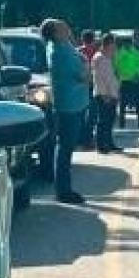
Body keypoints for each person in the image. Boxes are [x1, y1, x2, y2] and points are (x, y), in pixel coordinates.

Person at [42, 18, 89, 204]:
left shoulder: (64, 46)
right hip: (68, 105)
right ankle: (63, 190)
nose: (66, 26)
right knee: (65, 148)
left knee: (66, 147)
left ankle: (64, 188)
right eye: (61, 26)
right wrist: (85, 66)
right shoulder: (60, 53)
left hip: (74, 103)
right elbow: (81, 74)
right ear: (55, 33)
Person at [91, 33, 123, 154]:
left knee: (110, 120)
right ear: (108, 44)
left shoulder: (109, 58)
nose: (115, 48)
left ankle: (109, 143)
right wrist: (105, 95)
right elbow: (99, 79)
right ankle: (101, 145)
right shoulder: (99, 58)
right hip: (103, 94)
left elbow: (112, 76)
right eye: (113, 44)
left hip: (112, 93)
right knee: (103, 121)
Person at [114, 37, 139, 128]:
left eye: (129, 43)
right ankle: (122, 123)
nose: (127, 45)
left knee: (137, 102)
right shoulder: (119, 53)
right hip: (123, 81)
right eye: (126, 44)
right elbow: (115, 66)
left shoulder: (136, 53)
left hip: (134, 80)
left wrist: (138, 74)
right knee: (122, 103)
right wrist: (117, 77)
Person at [77, 30, 99, 150]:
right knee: (92, 115)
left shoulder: (77, 52)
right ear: (93, 39)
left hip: (80, 86)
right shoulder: (97, 52)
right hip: (92, 86)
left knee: (80, 113)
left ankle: (80, 138)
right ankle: (88, 139)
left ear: (82, 39)